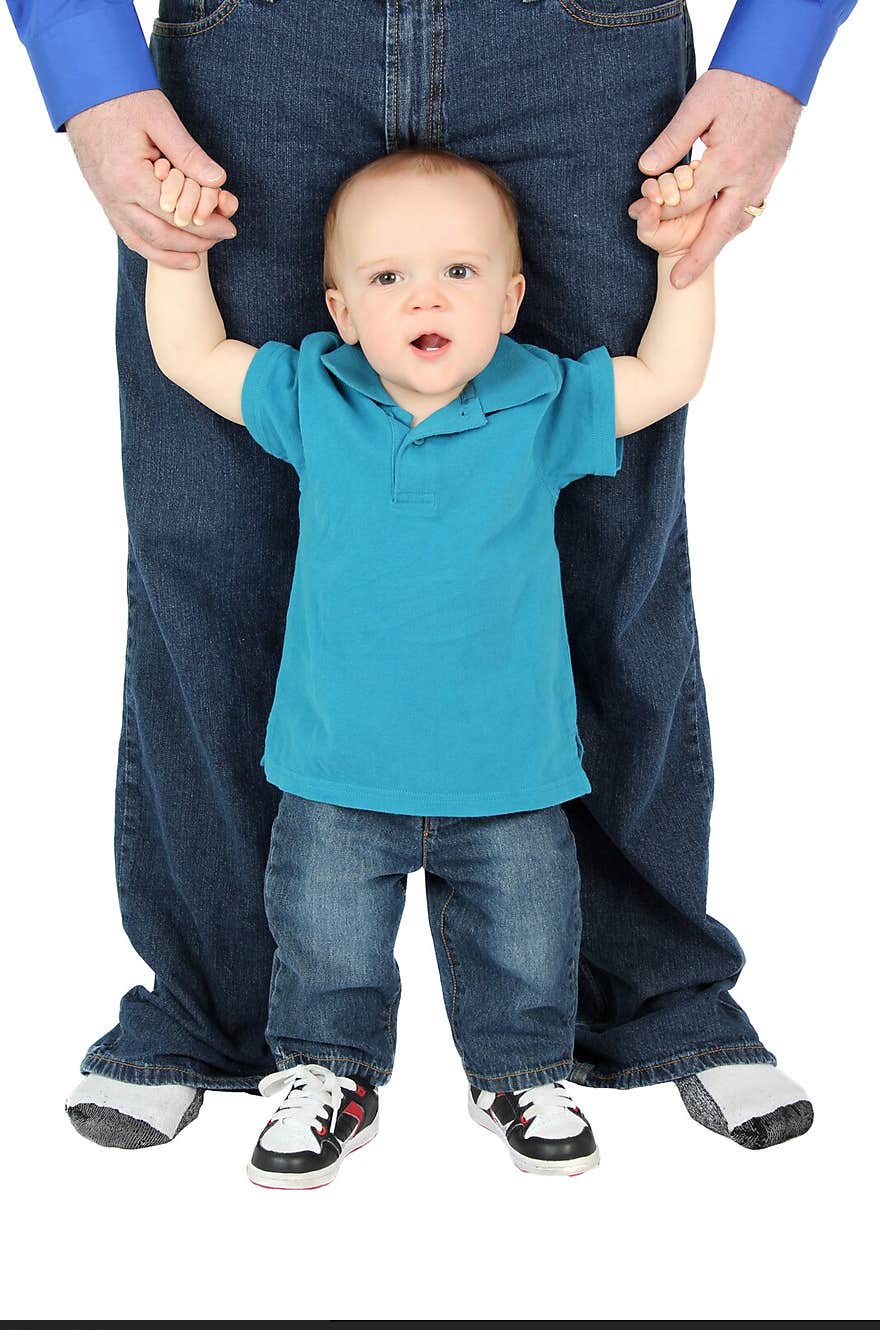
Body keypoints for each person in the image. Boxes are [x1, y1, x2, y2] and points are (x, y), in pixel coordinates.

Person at [7, 0, 856, 1154]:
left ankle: (639, 1009)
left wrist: (779, 51)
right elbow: (194, 358)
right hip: (256, 46)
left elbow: (663, 374)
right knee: (207, 550)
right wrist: (86, 59)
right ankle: (228, 1017)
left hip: (580, 50)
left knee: (610, 564)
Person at [144, 144, 716, 1186]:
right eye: (387, 276)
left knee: (526, 945)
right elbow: (193, 359)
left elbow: (667, 376)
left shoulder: (539, 402)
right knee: (325, 952)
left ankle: (523, 1070)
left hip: (508, 769)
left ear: (510, 299)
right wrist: (174, 256)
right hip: (335, 766)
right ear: (343, 309)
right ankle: (326, 1074)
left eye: (458, 272)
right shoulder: (316, 395)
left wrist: (689, 262)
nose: (426, 297)